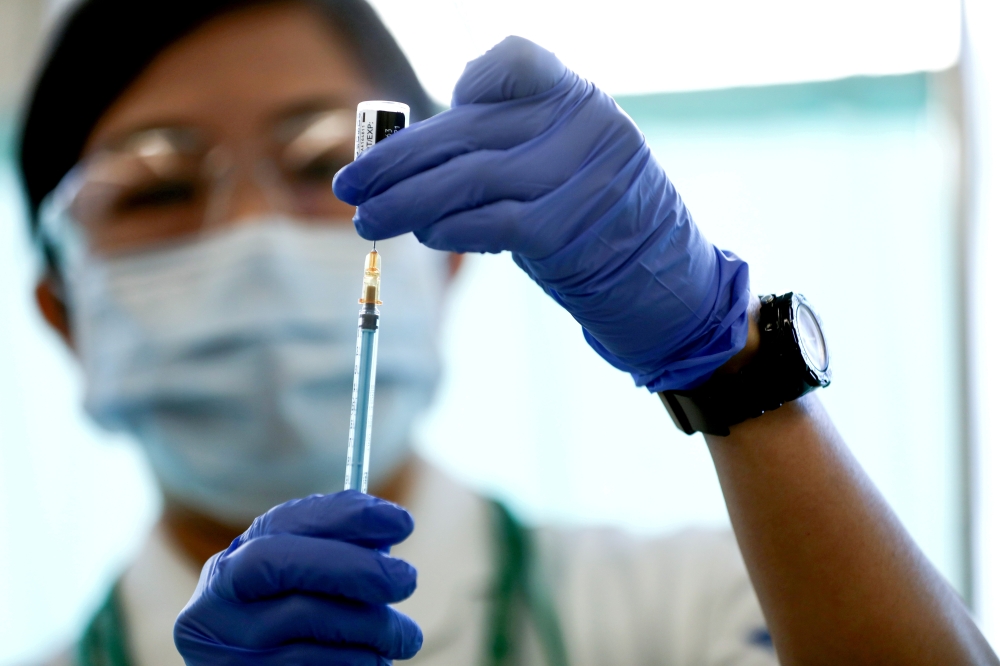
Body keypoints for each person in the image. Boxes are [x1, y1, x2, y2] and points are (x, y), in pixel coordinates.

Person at [14, 0, 997, 664]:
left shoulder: (683, 608)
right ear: (62, 312)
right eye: (159, 188)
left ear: (445, 251)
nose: (252, 236)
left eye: (321, 164)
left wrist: (730, 364)